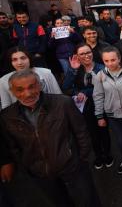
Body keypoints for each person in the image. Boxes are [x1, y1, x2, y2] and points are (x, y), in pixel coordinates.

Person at [0, 69, 101, 206]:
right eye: (20, 89)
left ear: (40, 85)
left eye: (32, 87)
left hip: (72, 167)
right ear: (12, 91)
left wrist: (81, 160)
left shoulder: (63, 103)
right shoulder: (7, 116)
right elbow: (13, 146)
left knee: (88, 200)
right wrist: (27, 167)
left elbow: (81, 131)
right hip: (40, 173)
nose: (27, 93)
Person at [62, 43, 113, 171]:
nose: (86, 56)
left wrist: (85, 92)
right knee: (92, 133)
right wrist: (73, 70)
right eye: (82, 54)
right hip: (84, 108)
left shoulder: (101, 67)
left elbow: (106, 87)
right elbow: (66, 88)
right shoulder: (75, 69)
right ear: (77, 56)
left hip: (102, 106)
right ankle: (98, 155)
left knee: (104, 132)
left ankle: (107, 154)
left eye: (88, 52)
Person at [93, 47, 122, 175]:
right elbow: (98, 96)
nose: (110, 63)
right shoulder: (100, 75)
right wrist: (99, 116)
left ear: (119, 59)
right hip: (112, 115)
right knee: (120, 140)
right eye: (106, 60)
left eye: (113, 60)